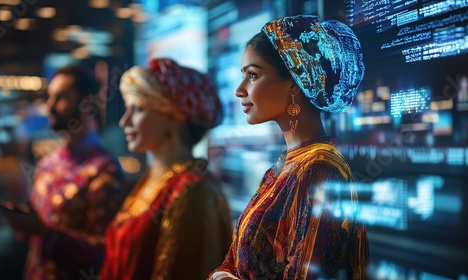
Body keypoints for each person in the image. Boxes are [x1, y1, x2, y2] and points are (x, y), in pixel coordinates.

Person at [209, 15, 369, 279]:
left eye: (252, 75)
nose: (239, 90)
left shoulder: (319, 170)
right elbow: (234, 258)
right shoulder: (285, 166)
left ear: (295, 81)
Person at [100, 58, 233, 279]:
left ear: (172, 116)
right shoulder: (154, 178)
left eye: (138, 109)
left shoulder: (193, 190)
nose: (125, 121)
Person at [0, 65, 127, 279]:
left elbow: (107, 250)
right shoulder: (48, 162)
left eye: (60, 98)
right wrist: (23, 222)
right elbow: (35, 235)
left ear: (86, 103)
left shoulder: (104, 170)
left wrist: (49, 235)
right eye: (50, 97)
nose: (49, 106)